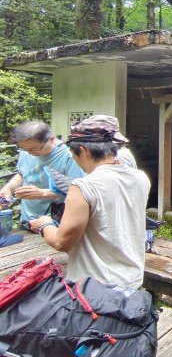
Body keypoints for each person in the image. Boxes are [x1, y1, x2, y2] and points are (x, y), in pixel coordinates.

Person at [28, 115, 150, 289]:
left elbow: (62, 242)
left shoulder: (83, 186)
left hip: (95, 289)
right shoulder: (141, 178)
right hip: (132, 281)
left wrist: (44, 225)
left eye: (73, 155)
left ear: (83, 151)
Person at [0, 121, 84, 226]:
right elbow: (23, 173)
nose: (29, 153)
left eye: (33, 150)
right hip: (28, 219)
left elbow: (77, 190)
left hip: (55, 222)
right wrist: (8, 188)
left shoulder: (69, 156)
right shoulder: (26, 151)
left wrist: (41, 193)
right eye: (24, 149)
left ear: (51, 140)